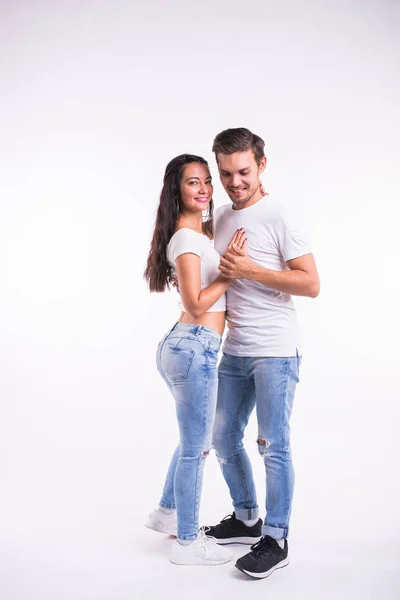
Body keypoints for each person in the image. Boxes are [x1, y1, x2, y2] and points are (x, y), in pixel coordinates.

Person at [204, 128, 320, 579]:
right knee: (222, 438)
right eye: (226, 172)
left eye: (244, 171)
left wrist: (251, 269)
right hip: (234, 351)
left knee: (273, 446)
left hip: (275, 351)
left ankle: (276, 537)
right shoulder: (221, 215)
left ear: (262, 165)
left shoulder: (281, 216)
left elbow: (311, 284)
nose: (235, 181)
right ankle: (247, 518)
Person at [144, 153, 246, 566]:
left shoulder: (197, 234)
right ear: (177, 190)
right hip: (194, 347)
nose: (204, 188)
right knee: (195, 448)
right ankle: (187, 543)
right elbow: (195, 301)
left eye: (207, 181)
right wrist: (230, 272)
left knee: (194, 442)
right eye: (193, 182)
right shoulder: (187, 240)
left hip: (187, 346)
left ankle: (167, 513)